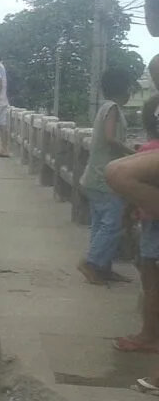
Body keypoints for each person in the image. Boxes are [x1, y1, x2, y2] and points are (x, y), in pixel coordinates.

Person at [77, 67, 137, 285]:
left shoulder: (106, 107)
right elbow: (110, 138)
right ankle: (91, 263)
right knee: (113, 224)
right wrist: (133, 153)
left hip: (95, 175)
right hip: (105, 177)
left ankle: (103, 268)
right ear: (125, 88)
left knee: (101, 223)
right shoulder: (112, 108)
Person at [113, 95, 159, 351]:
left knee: (151, 284)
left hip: (153, 225)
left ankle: (148, 335)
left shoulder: (148, 152)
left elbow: (132, 191)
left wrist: (128, 214)